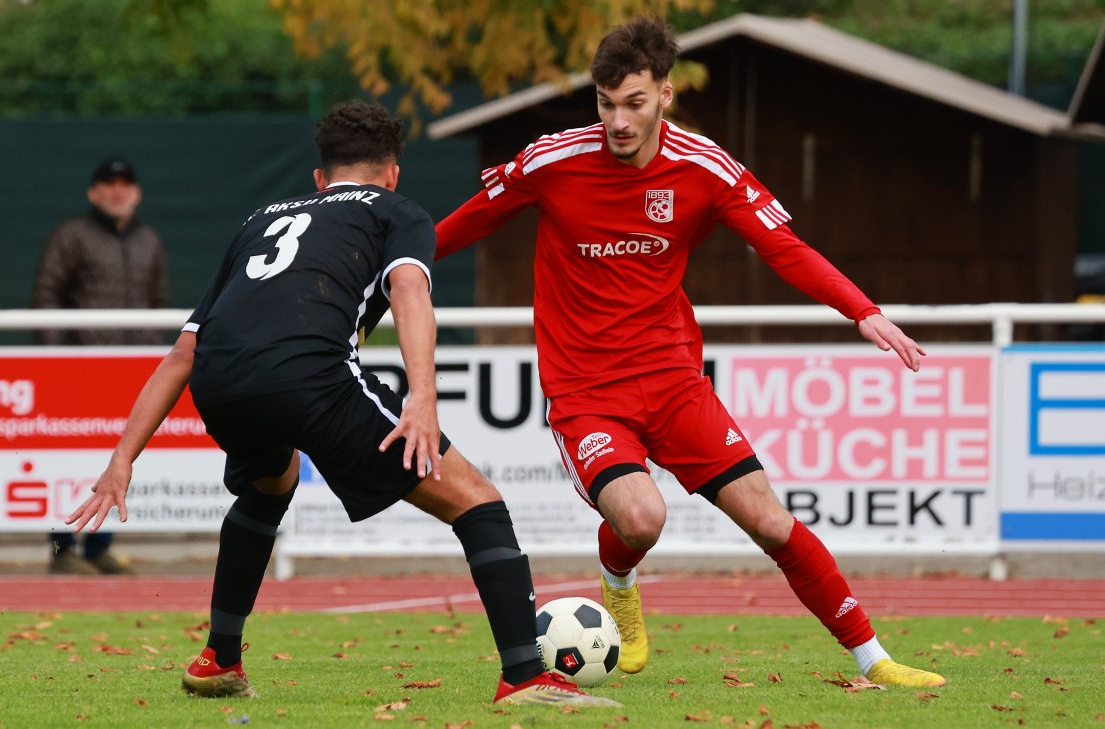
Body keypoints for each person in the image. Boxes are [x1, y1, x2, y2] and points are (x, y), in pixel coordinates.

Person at [434, 17, 945, 688]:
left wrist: (863, 310)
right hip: (586, 390)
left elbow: (783, 248)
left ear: (665, 95)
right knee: (642, 516)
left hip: (674, 382)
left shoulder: (704, 169)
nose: (618, 120)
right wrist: (382, 270)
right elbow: (464, 222)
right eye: (606, 102)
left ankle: (872, 659)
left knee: (769, 519)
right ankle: (618, 576)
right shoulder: (553, 161)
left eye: (634, 103)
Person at [63, 101, 620, 707]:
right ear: (394, 172)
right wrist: (423, 400)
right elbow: (408, 288)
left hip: (221, 384)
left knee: (268, 486)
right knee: (479, 503)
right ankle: (523, 676)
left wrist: (123, 459)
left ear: (319, 179)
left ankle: (219, 657)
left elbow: (182, 353)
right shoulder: (396, 210)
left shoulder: (261, 217)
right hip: (309, 375)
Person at [33, 156, 169, 575]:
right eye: (109, 183)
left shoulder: (150, 241)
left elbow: (159, 306)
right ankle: (61, 551)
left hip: (131, 375)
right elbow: (47, 296)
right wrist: (54, 363)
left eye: (125, 182)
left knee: (121, 457)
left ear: (137, 192)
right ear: (94, 192)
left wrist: (157, 366)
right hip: (76, 372)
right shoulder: (71, 235)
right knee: (63, 461)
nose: (118, 190)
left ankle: (98, 549)